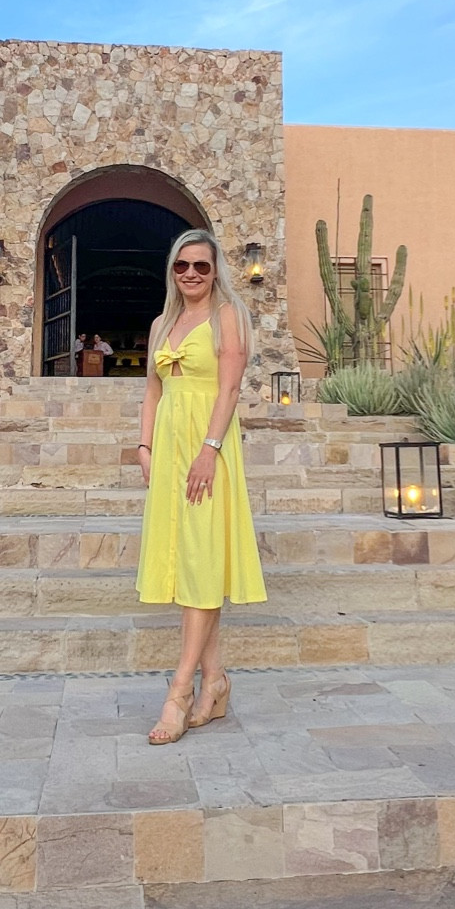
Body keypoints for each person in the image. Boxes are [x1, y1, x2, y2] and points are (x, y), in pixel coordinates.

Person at [135, 229, 266, 744]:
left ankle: (179, 690)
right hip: (168, 451)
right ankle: (216, 682)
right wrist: (145, 449)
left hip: (208, 448)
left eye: (201, 267)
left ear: (216, 272)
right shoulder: (161, 324)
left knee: (202, 559)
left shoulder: (227, 317)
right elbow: (151, 390)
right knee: (189, 562)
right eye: (182, 266)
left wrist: (209, 451)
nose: (191, 274)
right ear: (172, 271)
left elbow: (230, 388)